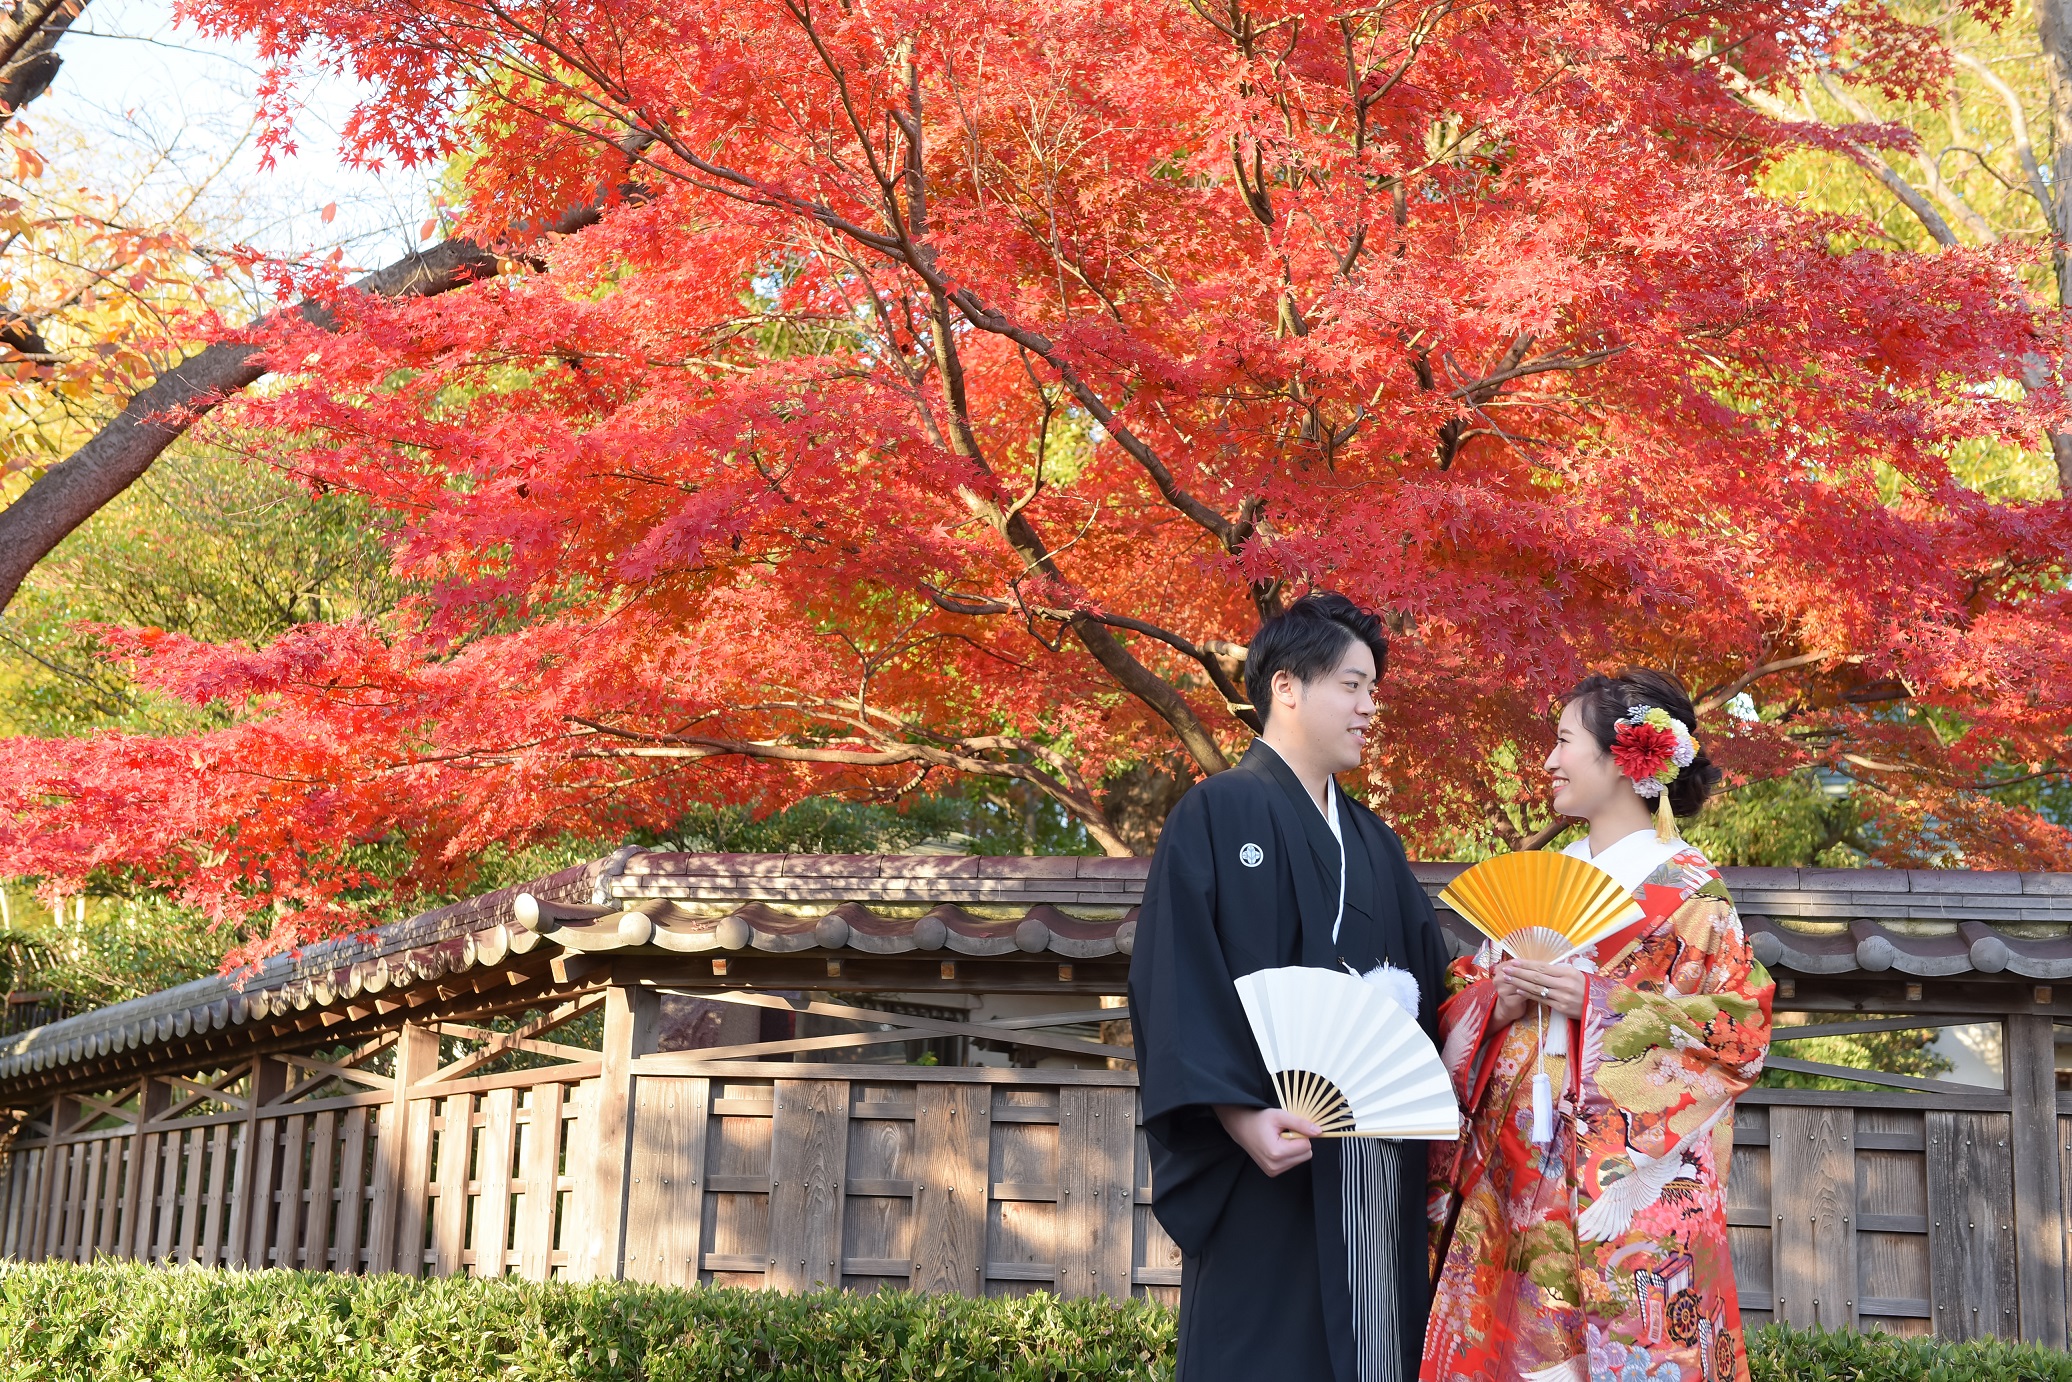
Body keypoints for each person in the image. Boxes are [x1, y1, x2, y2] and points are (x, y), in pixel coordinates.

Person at [1128, 592, 1454, 1382]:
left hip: (1373, 1159)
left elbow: (1431, 992)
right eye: (1353, 684)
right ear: (1285, 687)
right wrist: (1238, 1114)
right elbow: (1176, 977)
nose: (1369, 707)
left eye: (1373, 690)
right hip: (1267, 1156)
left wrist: (1499, 997)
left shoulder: (1378, 842)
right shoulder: (1215, 814)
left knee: (1378, 1348)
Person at [1421, 669, 1775, 1382]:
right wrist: (1500, 1001)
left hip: (1626, 1187)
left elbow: (1737, 1034)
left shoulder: (1689, 893)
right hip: (1517, 1177)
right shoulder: (1543, 879)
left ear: (1624, 758)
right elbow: (1457, 1003)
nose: (1548, 762)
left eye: (1562, 742)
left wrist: (1600, 1004)